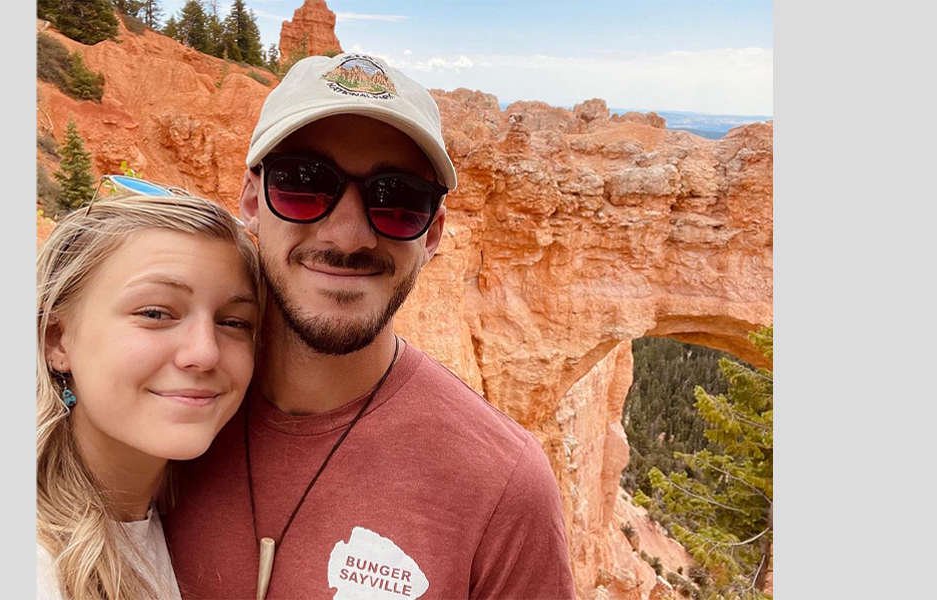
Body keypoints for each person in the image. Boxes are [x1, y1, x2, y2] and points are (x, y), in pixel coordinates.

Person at [165, 53, 575, 599]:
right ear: (251, 200)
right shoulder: (163, 407)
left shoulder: (501, 485)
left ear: (433, 233)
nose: (349, 236)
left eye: (397, 199)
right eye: (304, 183)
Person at [36, 191, 262, 599]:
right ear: (57, 340)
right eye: (155, 313)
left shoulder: (181, 519)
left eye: (233, 322)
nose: (205, 353)